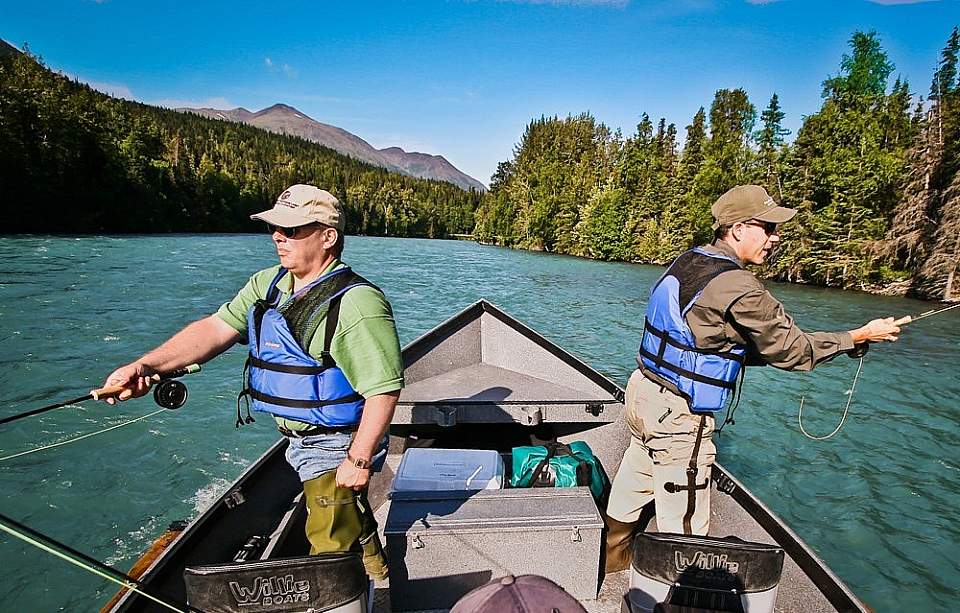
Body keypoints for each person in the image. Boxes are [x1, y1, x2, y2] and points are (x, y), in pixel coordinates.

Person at [101, 184, 403, 580]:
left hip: (338, 441)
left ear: (328, 237)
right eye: (275, 228)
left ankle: (349, 593)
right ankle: (380, 582)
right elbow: (214, 329)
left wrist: (359, 460)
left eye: (292, 229)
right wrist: (145, 365)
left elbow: (383, 388)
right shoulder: (268, 285)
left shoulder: (357, 303)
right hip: (299, 438)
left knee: (328, 554)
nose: (279, 236)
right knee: (349, 520)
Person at [603, 184, 903, 573]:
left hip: (643, 393)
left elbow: (705, 344)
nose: (776, 238)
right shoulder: (740, 286)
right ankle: (675, 594)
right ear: (740, 228)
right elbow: (792, 350)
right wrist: (857, 337)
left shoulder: (689, 261)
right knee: (687, 526)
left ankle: (612, 561)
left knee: (634, 481)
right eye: (769, 228)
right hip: (679, 413)